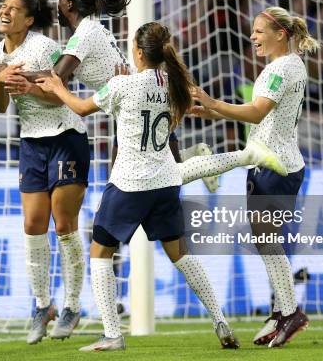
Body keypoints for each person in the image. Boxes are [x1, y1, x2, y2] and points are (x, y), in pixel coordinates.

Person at [36, 22, 289, 352]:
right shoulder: (175, 86)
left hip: (129, 183)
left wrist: (57, 86)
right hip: (165, 184)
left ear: (139, 52)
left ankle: (112, 334)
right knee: (182, 256)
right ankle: (220, 322)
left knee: (100, 253)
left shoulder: (122, 85)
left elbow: (82, 107)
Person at [2, 0, 220, 192]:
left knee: (126, 182)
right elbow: (63, 74)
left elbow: (56, 75)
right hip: (138, 99)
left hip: (136, 102)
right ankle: (196, 157)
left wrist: (14, 73)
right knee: (159, 174)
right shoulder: (91, 30)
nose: (57, 6)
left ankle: (203, 162)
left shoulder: (85, 33)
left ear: (69, 5)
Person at [190, 6, 320, 348]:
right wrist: (212, 111)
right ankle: (283, 311)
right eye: (253, 32)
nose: (253, 37)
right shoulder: (283, 67)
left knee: (267, 239)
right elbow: (261, 120)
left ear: (281, 34)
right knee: (266, 240)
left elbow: (258, 111)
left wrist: (212, 102)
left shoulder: (283, 69)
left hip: (276, 167)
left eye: (260, 31)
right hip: (270, 163)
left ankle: (289, 312)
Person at [0, 0, 88, 344]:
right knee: (32, 224)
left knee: (64, 224)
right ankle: (43, 305)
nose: (4, 11)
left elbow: (60, 88)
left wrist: (27, 86)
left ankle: (72, 305)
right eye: (2, 5)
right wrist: (0, 79)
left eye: (13, 8)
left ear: (28, 19)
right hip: (31, 143)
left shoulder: (43, 47)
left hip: (65, 134)